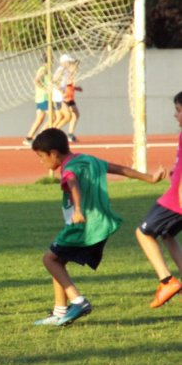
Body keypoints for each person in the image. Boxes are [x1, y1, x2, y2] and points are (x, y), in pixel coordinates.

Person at [31, 128, 165, 326]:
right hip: (99, 225)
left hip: (84, 227)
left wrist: (77, 209)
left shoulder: (68, 169)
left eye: (42, 157)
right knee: (58, 261)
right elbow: (118, 168)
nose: (42, 162)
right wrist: (149, 178)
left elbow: (73, 182)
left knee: (49, 259)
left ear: (53, 153)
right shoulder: (87, 160)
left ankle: (78, 301)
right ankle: (60, 312)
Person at [135, 91, 182, 308]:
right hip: (175, 194)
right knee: (167, 234)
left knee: (143, 232)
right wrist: (174, 173)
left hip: (175, 199)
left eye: (178, 111)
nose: (175, 116)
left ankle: (167, 281)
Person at [23, 55, 51, 146]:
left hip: (40, 97)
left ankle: (29, 138)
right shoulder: (44, 69)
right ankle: (39, 138)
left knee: (39, 119)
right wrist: (45, 89)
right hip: (44, 97)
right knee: (53, 117)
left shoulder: (43, 69)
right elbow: (36, 80)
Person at [53, 54, 82, 142]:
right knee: (67, 116)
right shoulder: (61, 70)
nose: (69, 63)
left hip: (61, 97)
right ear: (64, 62)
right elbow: (54, 81)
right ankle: (52, 133)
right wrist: (60, 90)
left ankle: (54, 133)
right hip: (58, 97)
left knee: (63, 117)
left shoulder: (65, 71)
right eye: (68, 62)